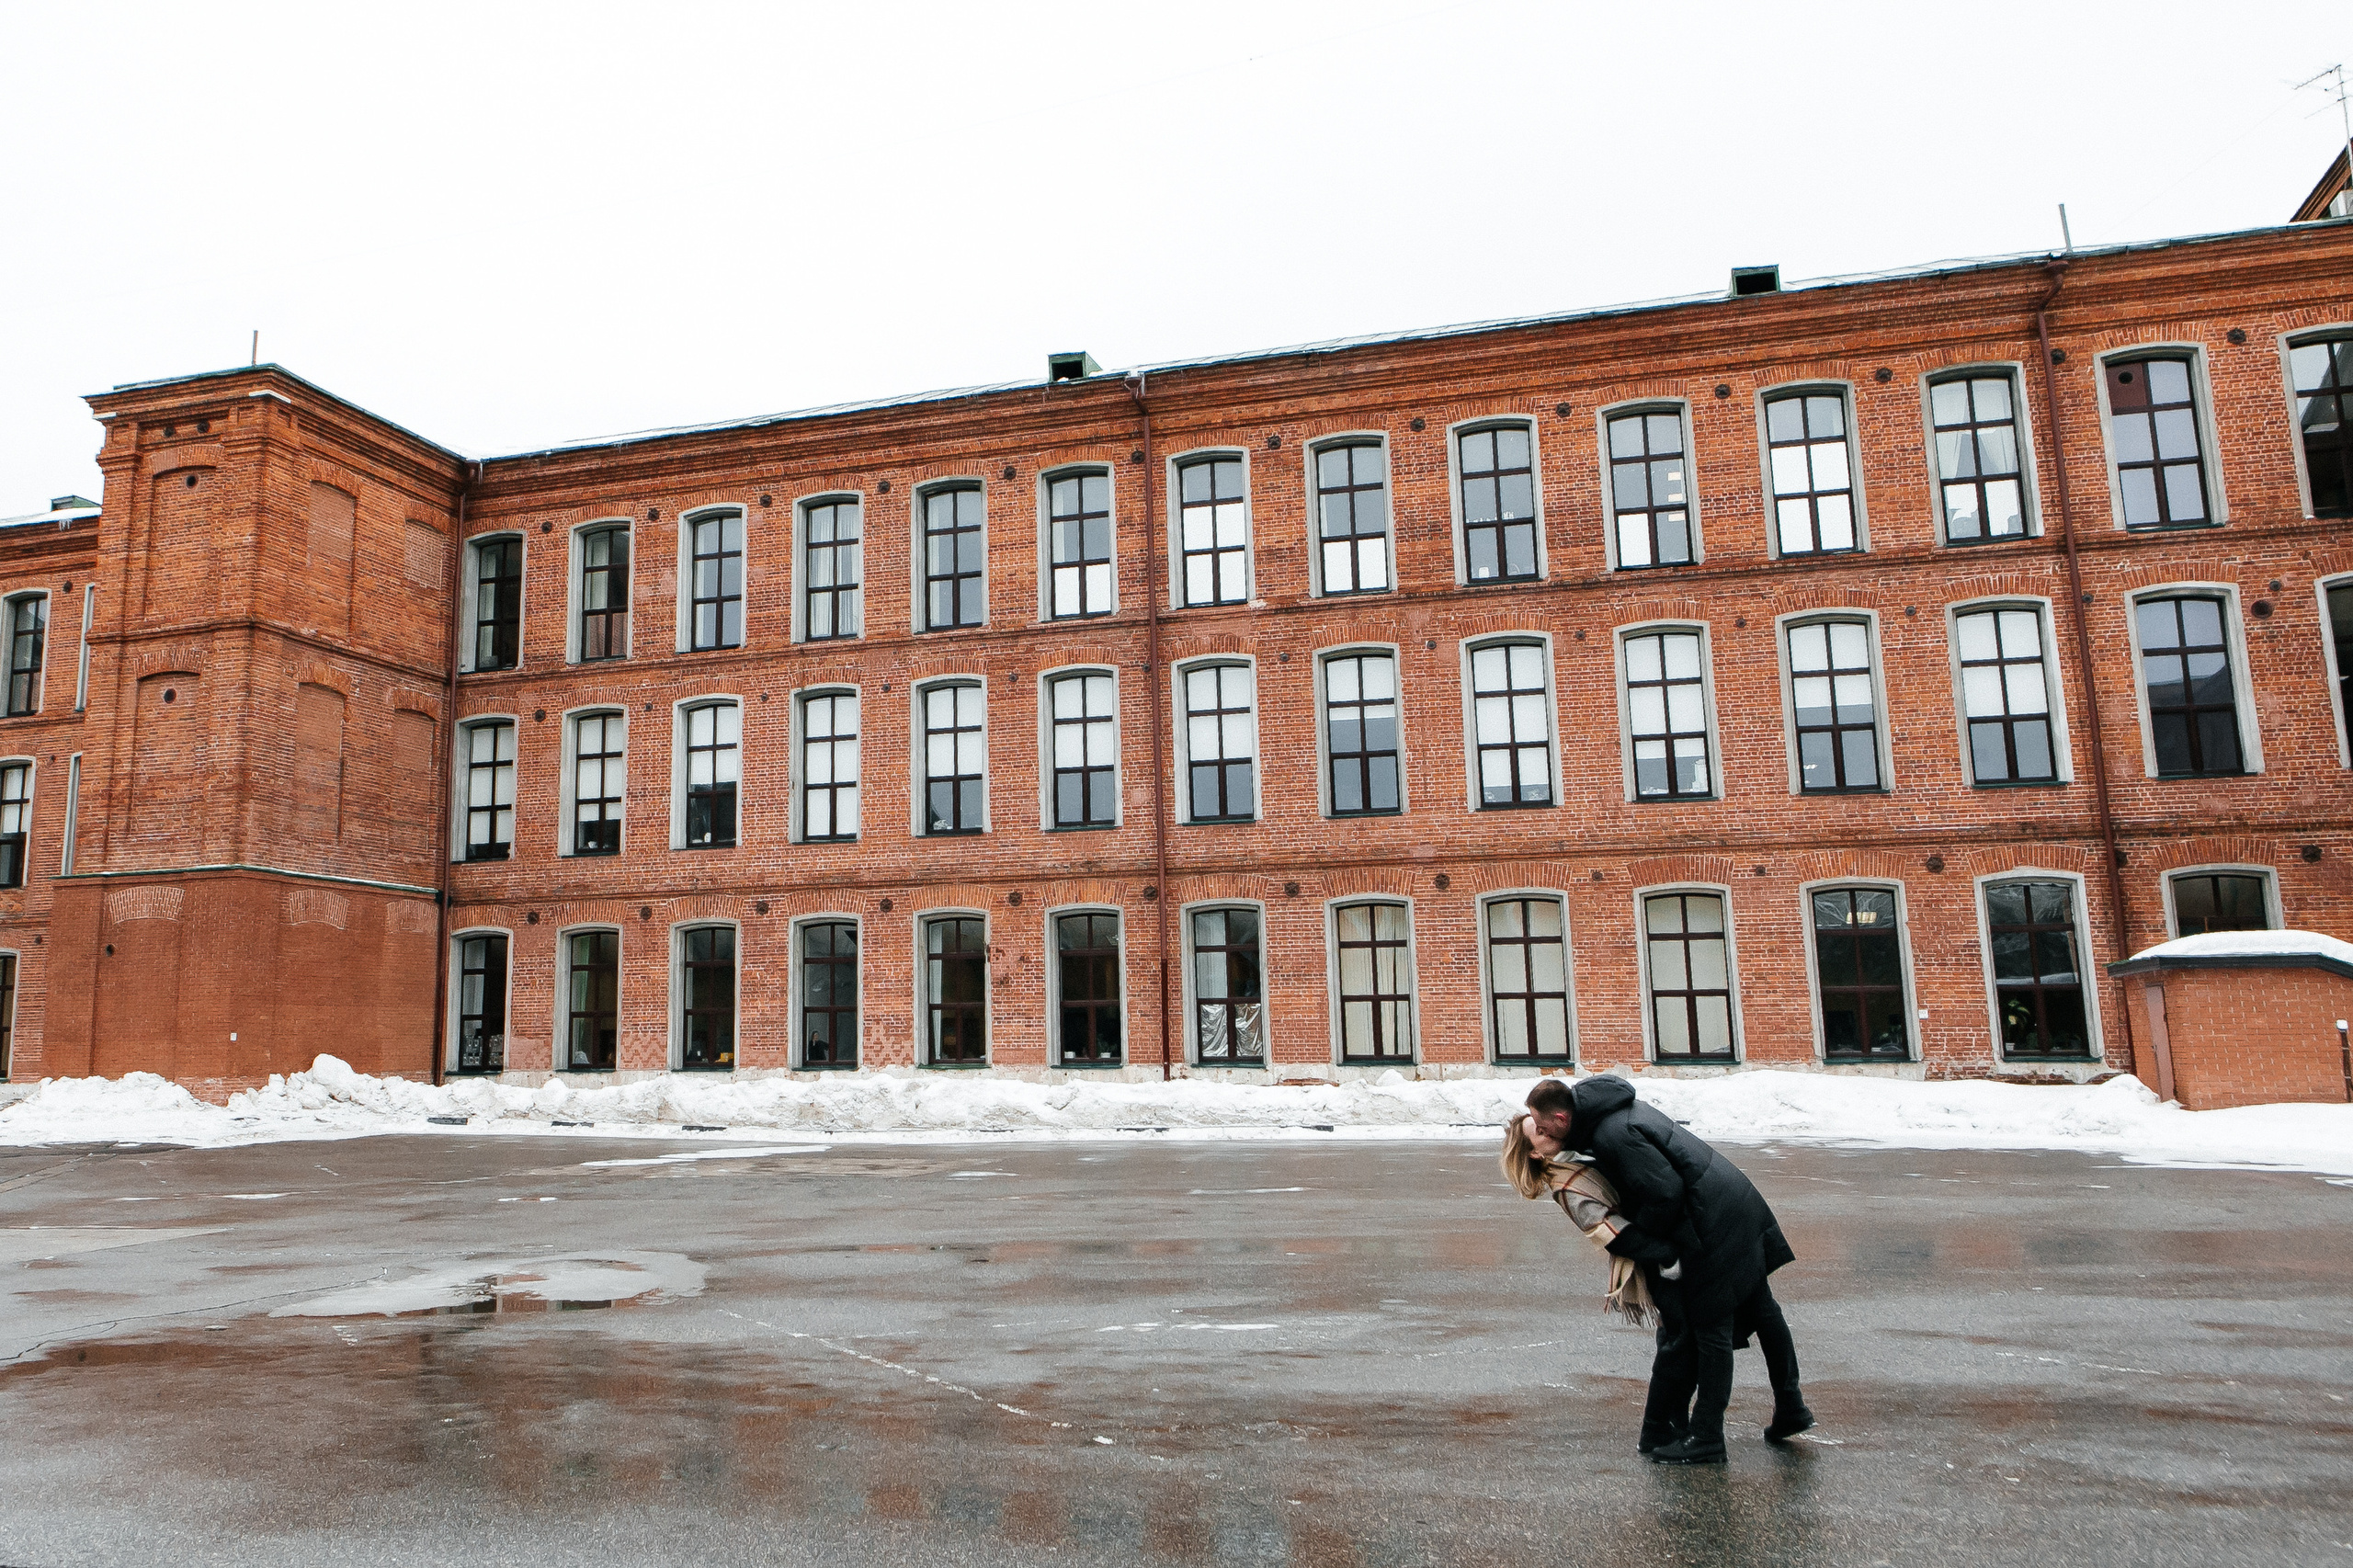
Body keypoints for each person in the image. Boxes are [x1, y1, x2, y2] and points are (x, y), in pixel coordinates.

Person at [1524, 1074, 1813, 1464]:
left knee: (1710, 1327)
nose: (1541, 1133)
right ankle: (1791, 1407)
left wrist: (1660, 1248)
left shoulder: (1613, 1133)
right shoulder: (1610, 1113)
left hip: (1709, 1221)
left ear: (1561, 1118)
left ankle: (1708, 1437)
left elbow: (1665, 1192)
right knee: (1761, 1307)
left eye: (1542, 1127)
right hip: (1730, 1201)